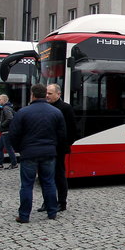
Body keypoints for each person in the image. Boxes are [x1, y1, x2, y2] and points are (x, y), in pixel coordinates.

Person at [7, 83, 65, 223]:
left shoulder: (23, 112)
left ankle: (24, 215)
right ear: (45, 94)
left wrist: (20, 148)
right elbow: (62, 135)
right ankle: (52, 212)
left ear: (32, 95)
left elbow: (13, 134)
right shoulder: (56, 112)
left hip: (29, 153)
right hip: (49, 153)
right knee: (49, 182)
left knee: (27, 185)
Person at [39, 83, 76, 212]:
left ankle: (61, 202)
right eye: (46, 93)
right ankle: (47, 201)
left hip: (58, 149)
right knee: (45, 176)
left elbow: (72, 130)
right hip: (45, 148)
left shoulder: (66, 108)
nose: (47, 96)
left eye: (50, 93)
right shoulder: (43, 107)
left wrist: (64, 145)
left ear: (58, 94)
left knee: (59, 176)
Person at [0, 94, 17, 169]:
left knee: (8, 147)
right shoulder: (7, 107)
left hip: (6, 131)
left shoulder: (6, 108)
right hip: (5, 131)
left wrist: (3, 125)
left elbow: (10, 118)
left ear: (4, 100)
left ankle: (14, 163)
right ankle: (0, 163)